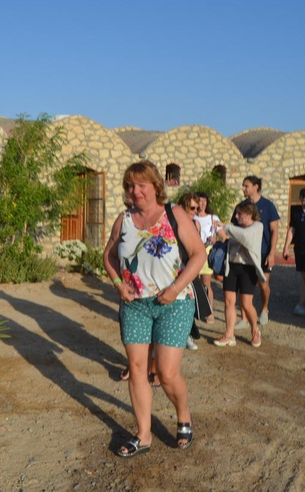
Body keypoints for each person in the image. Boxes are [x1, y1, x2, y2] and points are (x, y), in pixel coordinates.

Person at [103, 160, 206, 456]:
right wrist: (117, 284)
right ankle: (143, 435)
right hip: (134, 305)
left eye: (140, 185)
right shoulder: (123, 219)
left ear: (155, 186)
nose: (134, 191)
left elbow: (199, 254)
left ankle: (183, 413)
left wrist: (174, 289)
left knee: (167, 372)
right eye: (130, 186)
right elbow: (107, 255)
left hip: (174, 302)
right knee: (136, 369)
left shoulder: (174, 214)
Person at [214, 201, 265, 348]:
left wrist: (227, 227)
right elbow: (228, 239)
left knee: (246, 304)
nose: (236, 216)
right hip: (232, 266)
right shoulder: (236, 228)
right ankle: (229, 334)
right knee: (229, 301)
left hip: (248, 269)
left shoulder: (257, 226)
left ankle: (255, 330)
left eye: (239, 213)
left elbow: (245, 237)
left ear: (249, 214)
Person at [233, 176, 279, 327]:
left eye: (246, 186)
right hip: (245, 254)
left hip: (263, 252)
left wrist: (272, 253)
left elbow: (274, 230)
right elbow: (235, 229)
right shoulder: (240, 207)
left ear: (256, 187)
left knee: (263, 284)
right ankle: (244, 318)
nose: (243, 188)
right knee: (244, 285)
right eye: (243, 185)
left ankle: (265, 309)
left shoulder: (268, 206)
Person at [178, 192, 203, 351]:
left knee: (190, 303)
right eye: (192, 207)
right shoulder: (175, 222)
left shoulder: (196, 224)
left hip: (190, 267)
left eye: (197, 207)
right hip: (178, 266)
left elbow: (196, 247)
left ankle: (187, 334)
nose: (195, 210)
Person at [194, 192, 220, 323]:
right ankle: (195, 310)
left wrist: (216, 238)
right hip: (193, 251)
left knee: (206, 283)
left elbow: (223, 235)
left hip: (206, 252)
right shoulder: (191, 218)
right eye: (199, 201)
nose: (202, 204)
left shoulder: (212, 218)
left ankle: (209, 312)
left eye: (204, 201)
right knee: (192, 283)